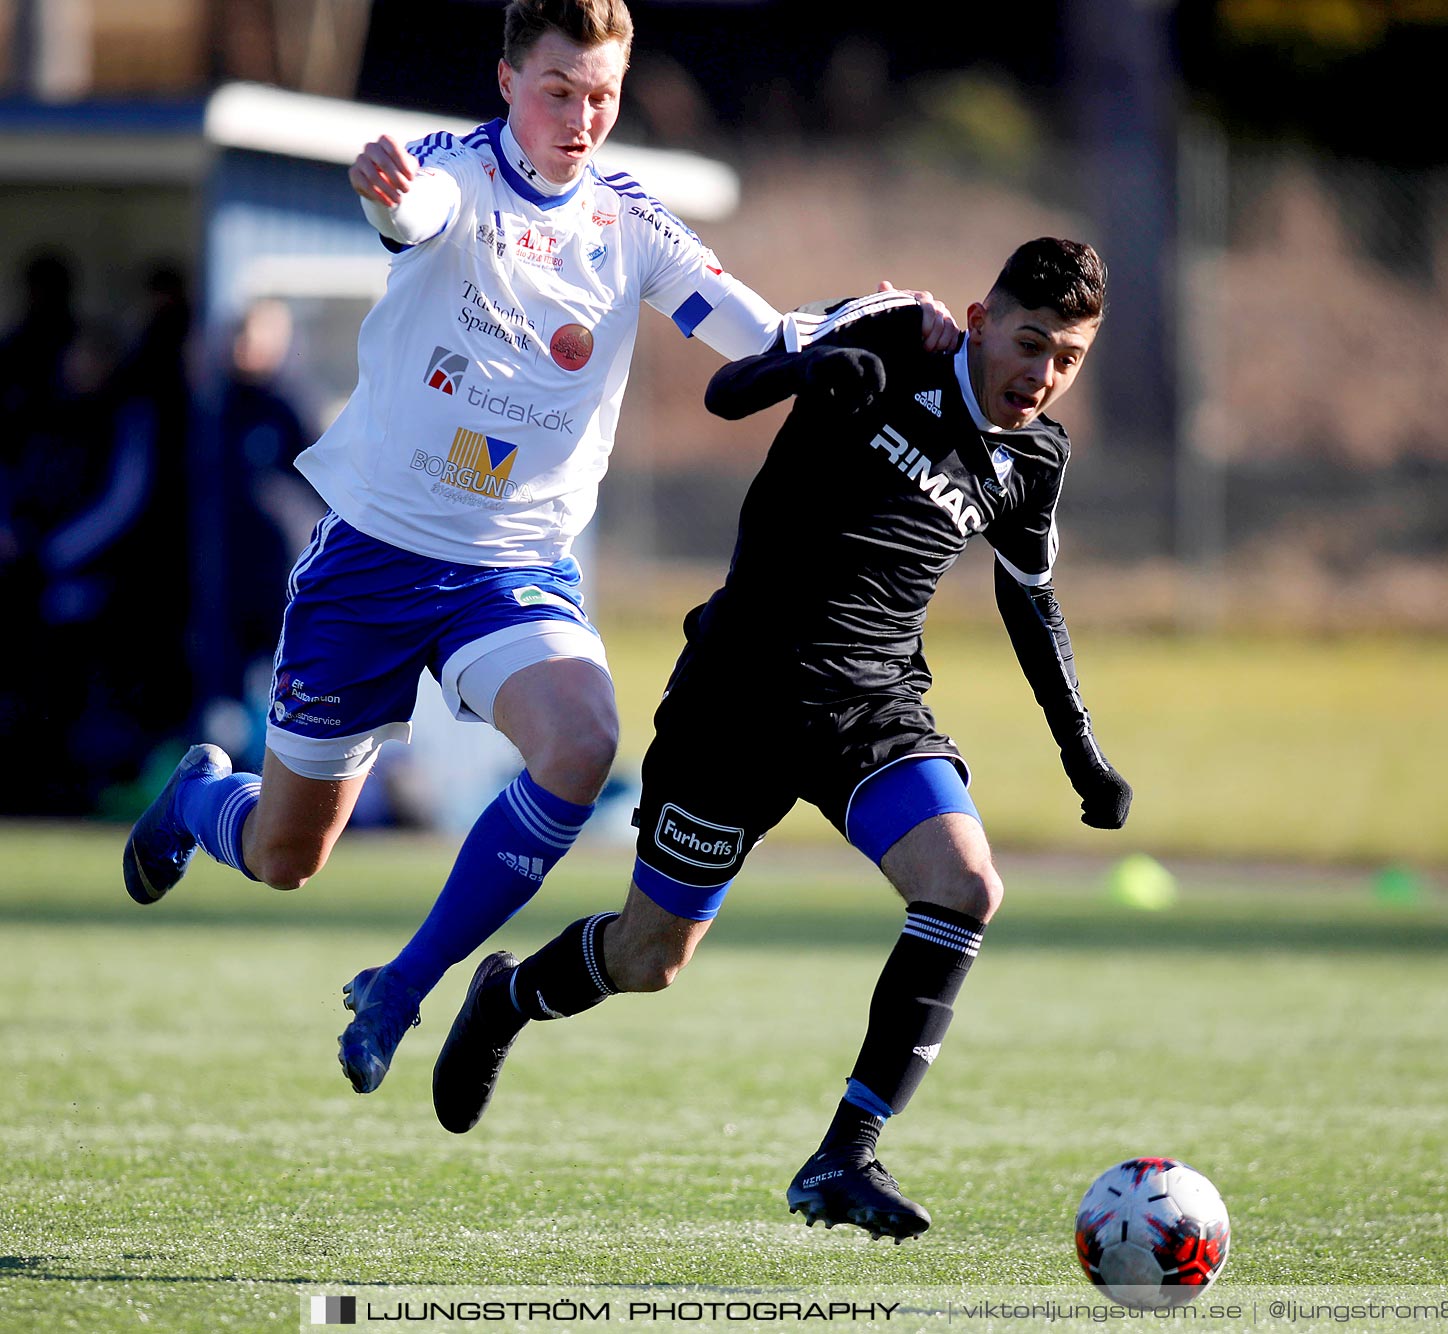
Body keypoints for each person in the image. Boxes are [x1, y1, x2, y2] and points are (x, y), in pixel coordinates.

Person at [121, 0, 956, 1097]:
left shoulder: (630, 223)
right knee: (286, 856)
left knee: (580, 743)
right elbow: (411, 207)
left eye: (602, 95)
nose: (581, 116)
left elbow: (757, 340)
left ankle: (404, 983)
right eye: (559, 90)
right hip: (371, 557)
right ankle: (196, 799)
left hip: (509, 573)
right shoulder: (450, 171)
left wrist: (889, 314)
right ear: (509, 79)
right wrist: (388, 191)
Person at [431, 237, 1132, 1241]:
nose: (1044, 373)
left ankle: (846, 1149)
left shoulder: (1034, 459)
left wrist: (1081, 749)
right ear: (980, 320)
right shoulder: (899, 333)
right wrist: (814, 366)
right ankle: (507, 997)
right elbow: (729, 391)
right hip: (738, 699)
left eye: (1069, 358)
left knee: (967, 884)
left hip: (870, 709)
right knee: (648, 958)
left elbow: (1032, 601)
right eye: (1031, 343)